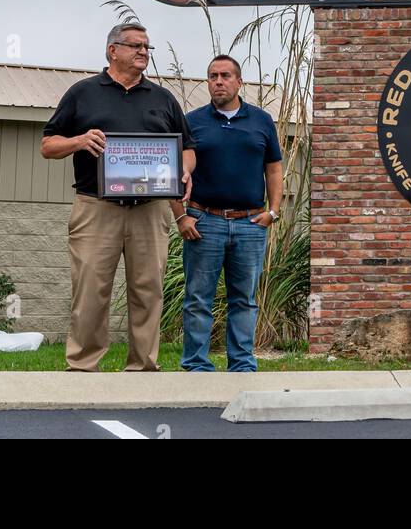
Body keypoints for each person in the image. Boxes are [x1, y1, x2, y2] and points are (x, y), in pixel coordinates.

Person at [42, 22, 194, 372]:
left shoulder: (163, 98)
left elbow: (188, 148)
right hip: (96, 207)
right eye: (136, 46)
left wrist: (184, 170)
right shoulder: (83, 93)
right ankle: (83, 366)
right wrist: (79, 141)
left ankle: (142, 368)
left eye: (147, 47)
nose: (143, 52)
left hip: (151, 209)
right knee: (91, 289)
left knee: (149, 290)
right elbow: (48, 145)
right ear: (113, 50)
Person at [175, 54, 284, 372]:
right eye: (212, 76)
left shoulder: (262, 120)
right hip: (204, 221)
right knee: (198, 299)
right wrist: (182, 216)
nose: (218, 81)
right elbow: (178, 169)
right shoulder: (192, 121)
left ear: (239, 81)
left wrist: (273, 212)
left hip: (250, 223)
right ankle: (196, 364)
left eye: (225, 75)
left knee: (244, 299)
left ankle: (242, 364)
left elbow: (274, 169)